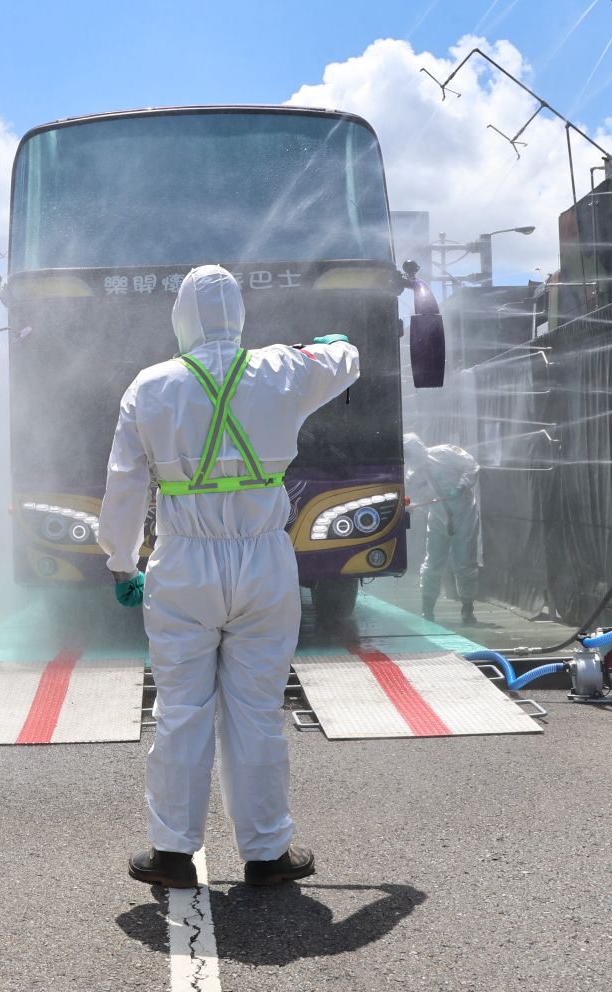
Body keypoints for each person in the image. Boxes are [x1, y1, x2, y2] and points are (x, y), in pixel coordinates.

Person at [98, 265, 359, 889]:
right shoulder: (282, 369)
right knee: (258, 710)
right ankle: (267, 854)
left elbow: (124, 485)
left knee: (182, 708)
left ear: (181, 318)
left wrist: (121, 561)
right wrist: (328, 344)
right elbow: (346, 358)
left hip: (183, 564)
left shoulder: (150, 385)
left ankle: (172, 853)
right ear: (239, 315)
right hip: (264, 562)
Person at [403, 433, 481, 624]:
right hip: (438, 519)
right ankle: (427, 610)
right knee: (432, 563)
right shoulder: (413, 475)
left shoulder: (445, 452)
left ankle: (467, 608)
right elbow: (411, 499)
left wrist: (461, 486)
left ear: (420, 449)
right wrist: (408, 507)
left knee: (465, 563)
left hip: (464, 515)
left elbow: (471, 466)